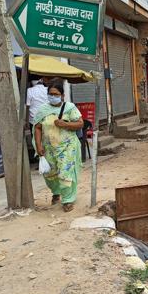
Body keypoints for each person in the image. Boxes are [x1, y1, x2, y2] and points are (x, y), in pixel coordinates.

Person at [33, 79, 83, 212]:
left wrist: (65, 124)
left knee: (65, 173)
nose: (53, 97)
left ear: (62, 95)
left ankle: (68, 200)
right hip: (49, 148)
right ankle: (56, 192)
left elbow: (80, 124)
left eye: (56, 94)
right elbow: (37, 128)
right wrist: (38, 146)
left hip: (67, 147)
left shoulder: (69, 108)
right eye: (50, 94)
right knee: (50, 174)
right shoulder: (42, 109)